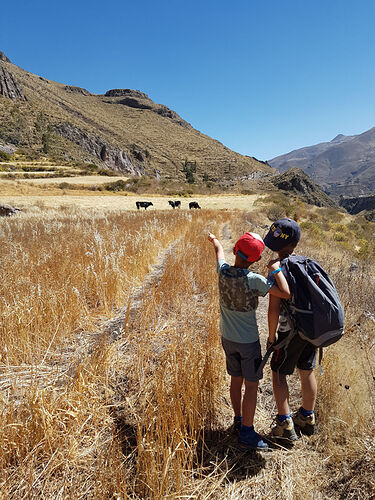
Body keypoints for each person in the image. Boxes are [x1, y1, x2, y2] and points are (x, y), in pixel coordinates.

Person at [208, 231, 291, 451]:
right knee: (251, 386)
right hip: (248, 343)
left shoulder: (222, 271)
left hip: (228, 338)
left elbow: (218, 251)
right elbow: (285, 293)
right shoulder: (254, 280)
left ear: (235, 250)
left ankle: (237, 420)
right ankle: (247, 432)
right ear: (256, 260)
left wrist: (215, 240)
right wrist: (276, 269)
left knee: (236, 381)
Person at [264, 218, 318, 441]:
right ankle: (307, 416)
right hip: (311, 329)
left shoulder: (277, 270)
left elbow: (273, 310)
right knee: (307, 371)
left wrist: (271, 336)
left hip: (289, 333)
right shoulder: (306, 263)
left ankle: (285, 424)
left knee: (278, 373)